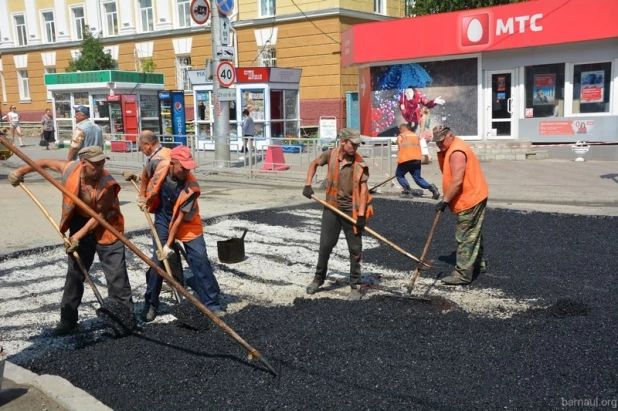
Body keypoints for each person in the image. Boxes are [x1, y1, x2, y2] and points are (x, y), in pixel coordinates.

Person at [8, 146, 135, 335]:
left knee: (117, 276)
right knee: (75, 274)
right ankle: (68, 321)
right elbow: (44, 163)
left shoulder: (108, 184)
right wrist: (20, 171)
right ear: (83, 163)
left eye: (102, 163)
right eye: (96, 165)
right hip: (79, 222)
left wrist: (77, 236)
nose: (100, 168)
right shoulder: (69, 169)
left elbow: (99, 216)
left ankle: (125, 322)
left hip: (107, 226)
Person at [126, 140, 225, 321]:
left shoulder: (191, 188)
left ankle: (212, 303)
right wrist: (142, 195)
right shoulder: (158, 164)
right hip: (163, 217)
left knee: (200, 258)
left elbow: (179, 220)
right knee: (158, 261)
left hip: (187, 223)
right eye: (183, 168)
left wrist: (168, 246)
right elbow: (146, 174)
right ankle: (151, 304)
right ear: (172, 164)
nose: (187, 171)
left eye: (189, 168)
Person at [302, 128, 373, 301]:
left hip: (352, 211)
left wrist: (362, 216)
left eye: (357, 145)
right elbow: (314, 164)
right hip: (331, 208)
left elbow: (363, 191)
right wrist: (308, 184)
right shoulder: (331, 155)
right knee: (325, 246)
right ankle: (318, 279)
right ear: (343, 142)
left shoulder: (359, 163)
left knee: (355, 249)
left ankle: (355, 285)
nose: (355, 148)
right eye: (352, 144)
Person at [433, 126, 489, 286]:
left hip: (470, 198)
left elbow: (457, 181)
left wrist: (444, 201)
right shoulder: (453, 147)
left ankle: (463, 274)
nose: (439, 145)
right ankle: (478, 264)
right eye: (437, 143)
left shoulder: (457, 151)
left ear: (450, 135)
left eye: (442, 142)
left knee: (465, 235)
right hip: (474, 194)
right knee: (474, 232)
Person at [395, 123, 440, 199]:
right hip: (416, 159)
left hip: (406, 159)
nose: (399, 131)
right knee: (418, 178)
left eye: (400, 130)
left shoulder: (401, 136)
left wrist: (399, 160)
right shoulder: (415, 135)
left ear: (402, 129)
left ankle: (407, 192)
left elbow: (400, 149)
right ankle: (433, 189)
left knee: (399, 175)